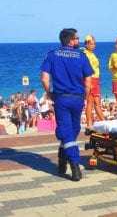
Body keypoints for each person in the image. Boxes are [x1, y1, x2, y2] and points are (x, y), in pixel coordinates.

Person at [40, 28, 93, 181]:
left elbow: (44, 78)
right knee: (72, 131)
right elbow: (88, 82)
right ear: (70, 40)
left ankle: (63, 156)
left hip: (62, 98)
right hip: (76, 98)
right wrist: (85, 96)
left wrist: (49, 93)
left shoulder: (52, 55)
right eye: (77, 38)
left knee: (70, 131)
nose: (79, 41)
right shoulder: (82, 57)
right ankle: (75, 165)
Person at [83, 35, 106, 127]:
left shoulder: (92, 54)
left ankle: (104, 121)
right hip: (91, 78)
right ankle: (89, 123)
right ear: (87, 44)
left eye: (94, 44)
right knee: (90, 102)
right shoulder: (85, 54)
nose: (93, 45)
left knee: (97, 102)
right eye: (91, 44)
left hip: (96, 79)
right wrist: (88, 83)